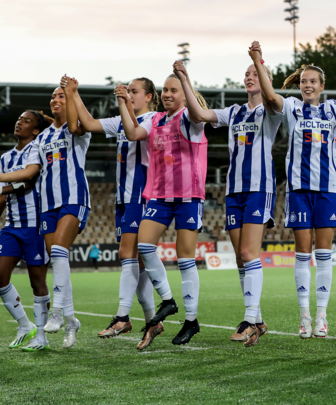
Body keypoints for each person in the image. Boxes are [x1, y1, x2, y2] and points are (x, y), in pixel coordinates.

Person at [249, 41, 336, 338]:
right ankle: (304, 315)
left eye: (312, 81)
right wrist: (257, 59)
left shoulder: (333, 109)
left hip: (327, 191)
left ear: (322, 85)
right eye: (304, 81)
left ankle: (322, 317)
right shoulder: (291, 106)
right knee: (303, 253)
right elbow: (269, 95)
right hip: (299, 192)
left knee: (325, 252)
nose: (307, 85)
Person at [175, 59, 280, 347]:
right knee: (239, 257)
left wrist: (258, 60)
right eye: (246, 74)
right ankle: (257, 320)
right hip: (234, 191)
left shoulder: (271, 109)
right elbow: (199, 113)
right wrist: (185, 78)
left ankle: (248, 319)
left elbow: (272, 96)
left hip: (260, 188)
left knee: (248, 252)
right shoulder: (233, 112)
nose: (249, 77)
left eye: (255, 73)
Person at [119, 64, 209, 349]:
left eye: (174, 90)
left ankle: (191, 320)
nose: (168, 94)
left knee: (185, 259)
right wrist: (124, 103)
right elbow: (133, 133)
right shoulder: (155, 119)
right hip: (158, 195)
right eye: (166, 90)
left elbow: (196, 111)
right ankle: (169, 300)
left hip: (188, 196)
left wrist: (184, 77)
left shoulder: (191, 118)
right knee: (144, 247)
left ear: (185, 95)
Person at [0, 81, 93, 349]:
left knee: (59, 254)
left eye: (61, 96)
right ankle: (70, 318)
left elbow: (73, 125)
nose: (56, 98)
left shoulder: (78, 129)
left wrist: (72, 94)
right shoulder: (41, 139)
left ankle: (55, 313)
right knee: (58, 258)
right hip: (48, 205)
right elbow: (32, 170)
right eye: (53, 96)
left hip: (74, 199)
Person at [69, 77, 158, 338]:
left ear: (149, 97)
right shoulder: (120, 120)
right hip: (122, 197)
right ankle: (153, 320)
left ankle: (122, 317)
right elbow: (88, 123)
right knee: (137, 262)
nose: (130, 94)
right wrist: (74, 93)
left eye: (135, 91)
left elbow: (134, 133)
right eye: (127, 90)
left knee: (126, 254)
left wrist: (122, 102)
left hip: (140, 195)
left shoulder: (153, 119)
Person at [0, 110, 52, 352]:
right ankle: (24, 325)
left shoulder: (37, 149)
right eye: (19, 119)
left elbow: (30, 178)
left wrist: (6, 185)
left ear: (35, 131)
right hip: (11, 227)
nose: (19, 122)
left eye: (27, 120)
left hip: (36, 226)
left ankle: (41, 335)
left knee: (37, 282)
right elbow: (5, 192)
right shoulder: (4, 158)